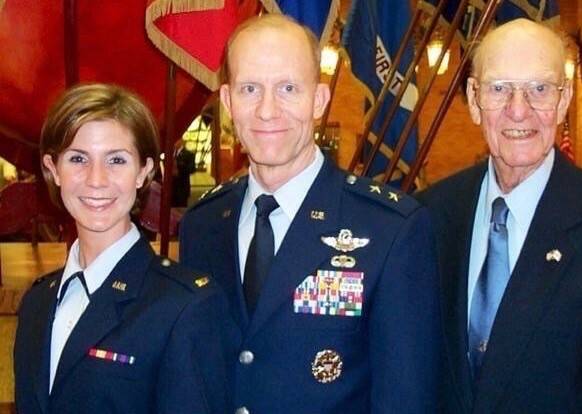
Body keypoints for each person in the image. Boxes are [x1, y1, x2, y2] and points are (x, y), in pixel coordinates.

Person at [179, 14, 442, 413]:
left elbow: (406, 400)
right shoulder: (203, 224)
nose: (268, 110)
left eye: (288, 88)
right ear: (228, 101)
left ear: (318, 100)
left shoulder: (391, 230)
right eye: (251, 89)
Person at [418, 19, 582, 413]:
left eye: (539, 89)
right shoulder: (429, 215)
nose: (519, 110)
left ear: (564, 101)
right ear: (475, 99)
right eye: (500, 89)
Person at [14, 83, 228, 414]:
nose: (96, 179)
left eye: (116, 160)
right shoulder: (37, 302)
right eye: (77, 158)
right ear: (53, 169)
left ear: (144, 171)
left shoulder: (183, 306)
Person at [171, 138, 196, 207]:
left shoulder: (189, 154)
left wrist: (180, 166)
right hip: (171, 188)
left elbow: (192, 169)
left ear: (181, 141)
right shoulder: (169, 153)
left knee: (181, 209)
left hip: (182, 187)